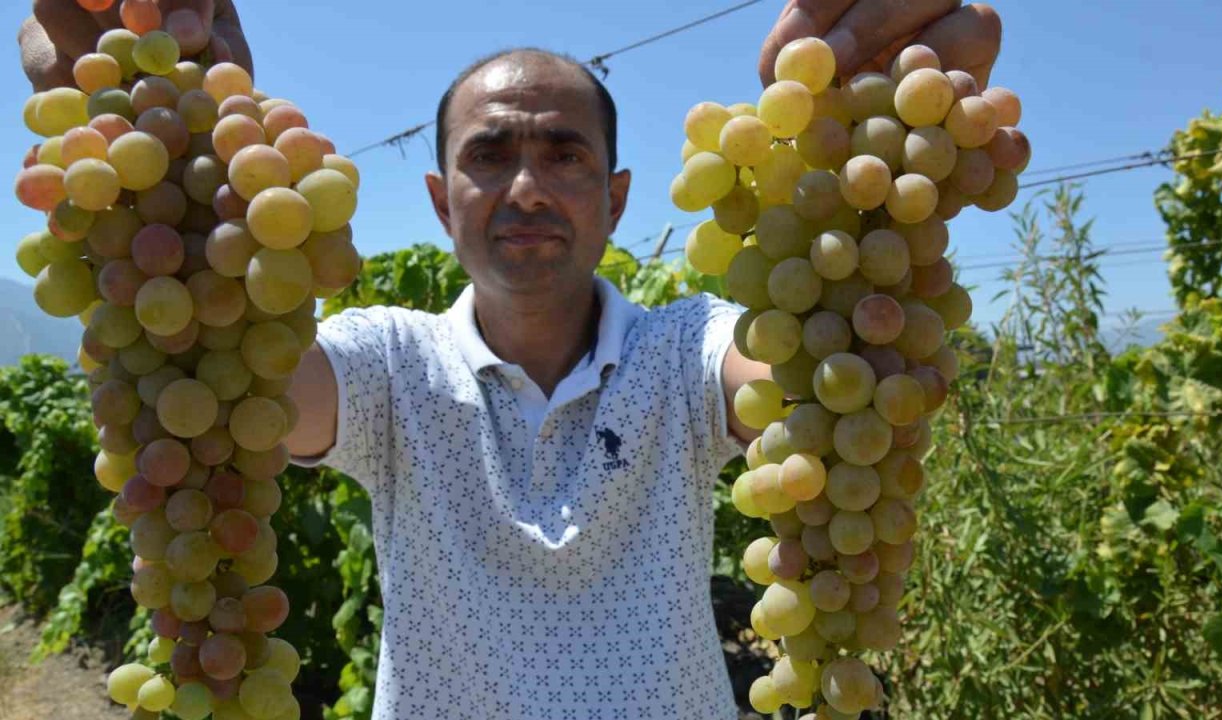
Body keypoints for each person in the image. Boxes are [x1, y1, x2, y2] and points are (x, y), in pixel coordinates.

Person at [19, 1, 1001, 717]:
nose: (526, 185)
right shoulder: (385, 364)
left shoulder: (687, 351)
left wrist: (853, 183)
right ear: (442, 200)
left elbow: (804, 380)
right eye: (490, 155)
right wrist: (163, 190)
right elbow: (240, 388)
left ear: (616, 198)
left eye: (563, 154)